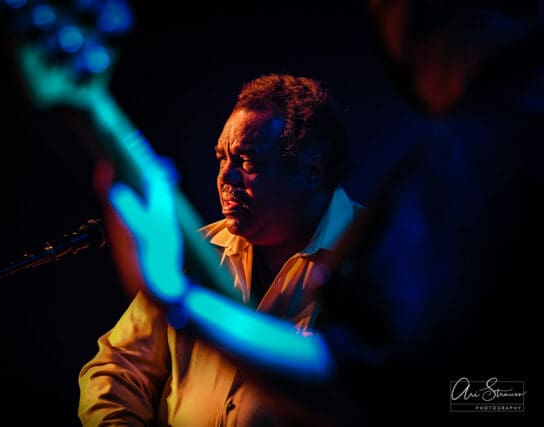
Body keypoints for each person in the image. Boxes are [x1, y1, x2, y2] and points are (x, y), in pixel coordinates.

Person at [77, 73, 364, 426]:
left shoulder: (374, 258)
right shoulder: (196, 251)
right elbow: (115, 370)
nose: (225, 178)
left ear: (311, 171)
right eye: (221, 159)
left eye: (247, 162)